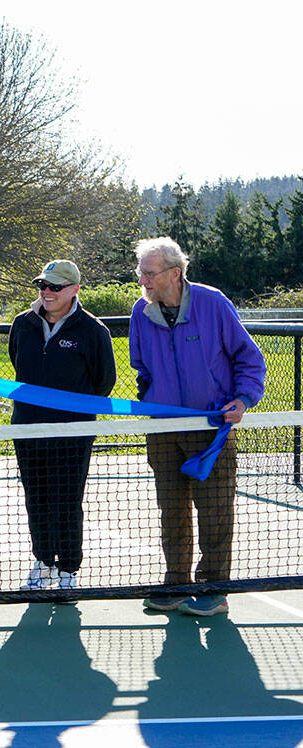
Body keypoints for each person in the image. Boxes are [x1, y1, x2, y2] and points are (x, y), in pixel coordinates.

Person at [130, 236, 265, 617]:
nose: (143, 281)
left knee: (216, 511)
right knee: (171, 510)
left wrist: (242, 400)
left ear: (175, 273)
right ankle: (176, 584)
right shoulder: (141, 312)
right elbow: (140, 366)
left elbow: (249, 360)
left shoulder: (213, 302)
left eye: (150, 273)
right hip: (163, 431)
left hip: (213, 429)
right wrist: (153, 396)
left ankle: (214, 588)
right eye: (141, 273)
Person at [8, 260, 116, 591]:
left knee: (67, 500)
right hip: (27, 429)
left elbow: (104, 383)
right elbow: (17, 362)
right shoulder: (22, 324)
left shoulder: (93, 331)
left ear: (74, 290)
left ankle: (68, 570)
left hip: (73, 433)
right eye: (43, 285)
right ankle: (42, 563)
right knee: (36, 498)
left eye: (55, 287)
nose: (47, 292)